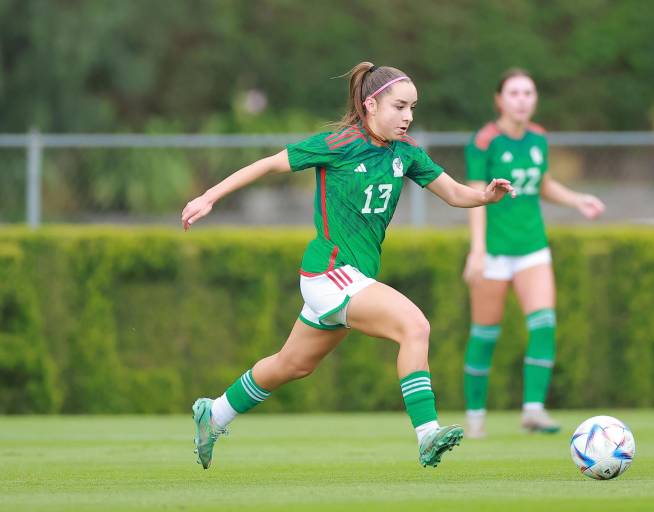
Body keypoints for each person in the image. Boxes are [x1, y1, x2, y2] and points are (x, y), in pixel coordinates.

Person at [181, 62, 514, 469]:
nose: (408, 116)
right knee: (415, 326)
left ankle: (214, 413)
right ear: (370, 104)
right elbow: (268, 163)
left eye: (412, 108)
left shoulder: (406, 153)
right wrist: (208, 197)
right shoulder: (339, 143)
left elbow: (455, 193)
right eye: (399, 106)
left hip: (351, 279)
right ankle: (427, 433)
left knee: (293, 364)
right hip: (329, 273)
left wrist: (486, 196)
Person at [461, 68, 605, 438]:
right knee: (484, 334)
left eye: (528, 93)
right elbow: (476, 197)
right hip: (494, 251)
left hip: (532, 248)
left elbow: (543, 184)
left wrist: (577, 200)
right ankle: (475, 418)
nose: (522, 100)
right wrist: (477, 251)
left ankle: (533, 410)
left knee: (544, 324)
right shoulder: (485, 141)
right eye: (514, 93)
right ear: (499, 100)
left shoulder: (539, 137)